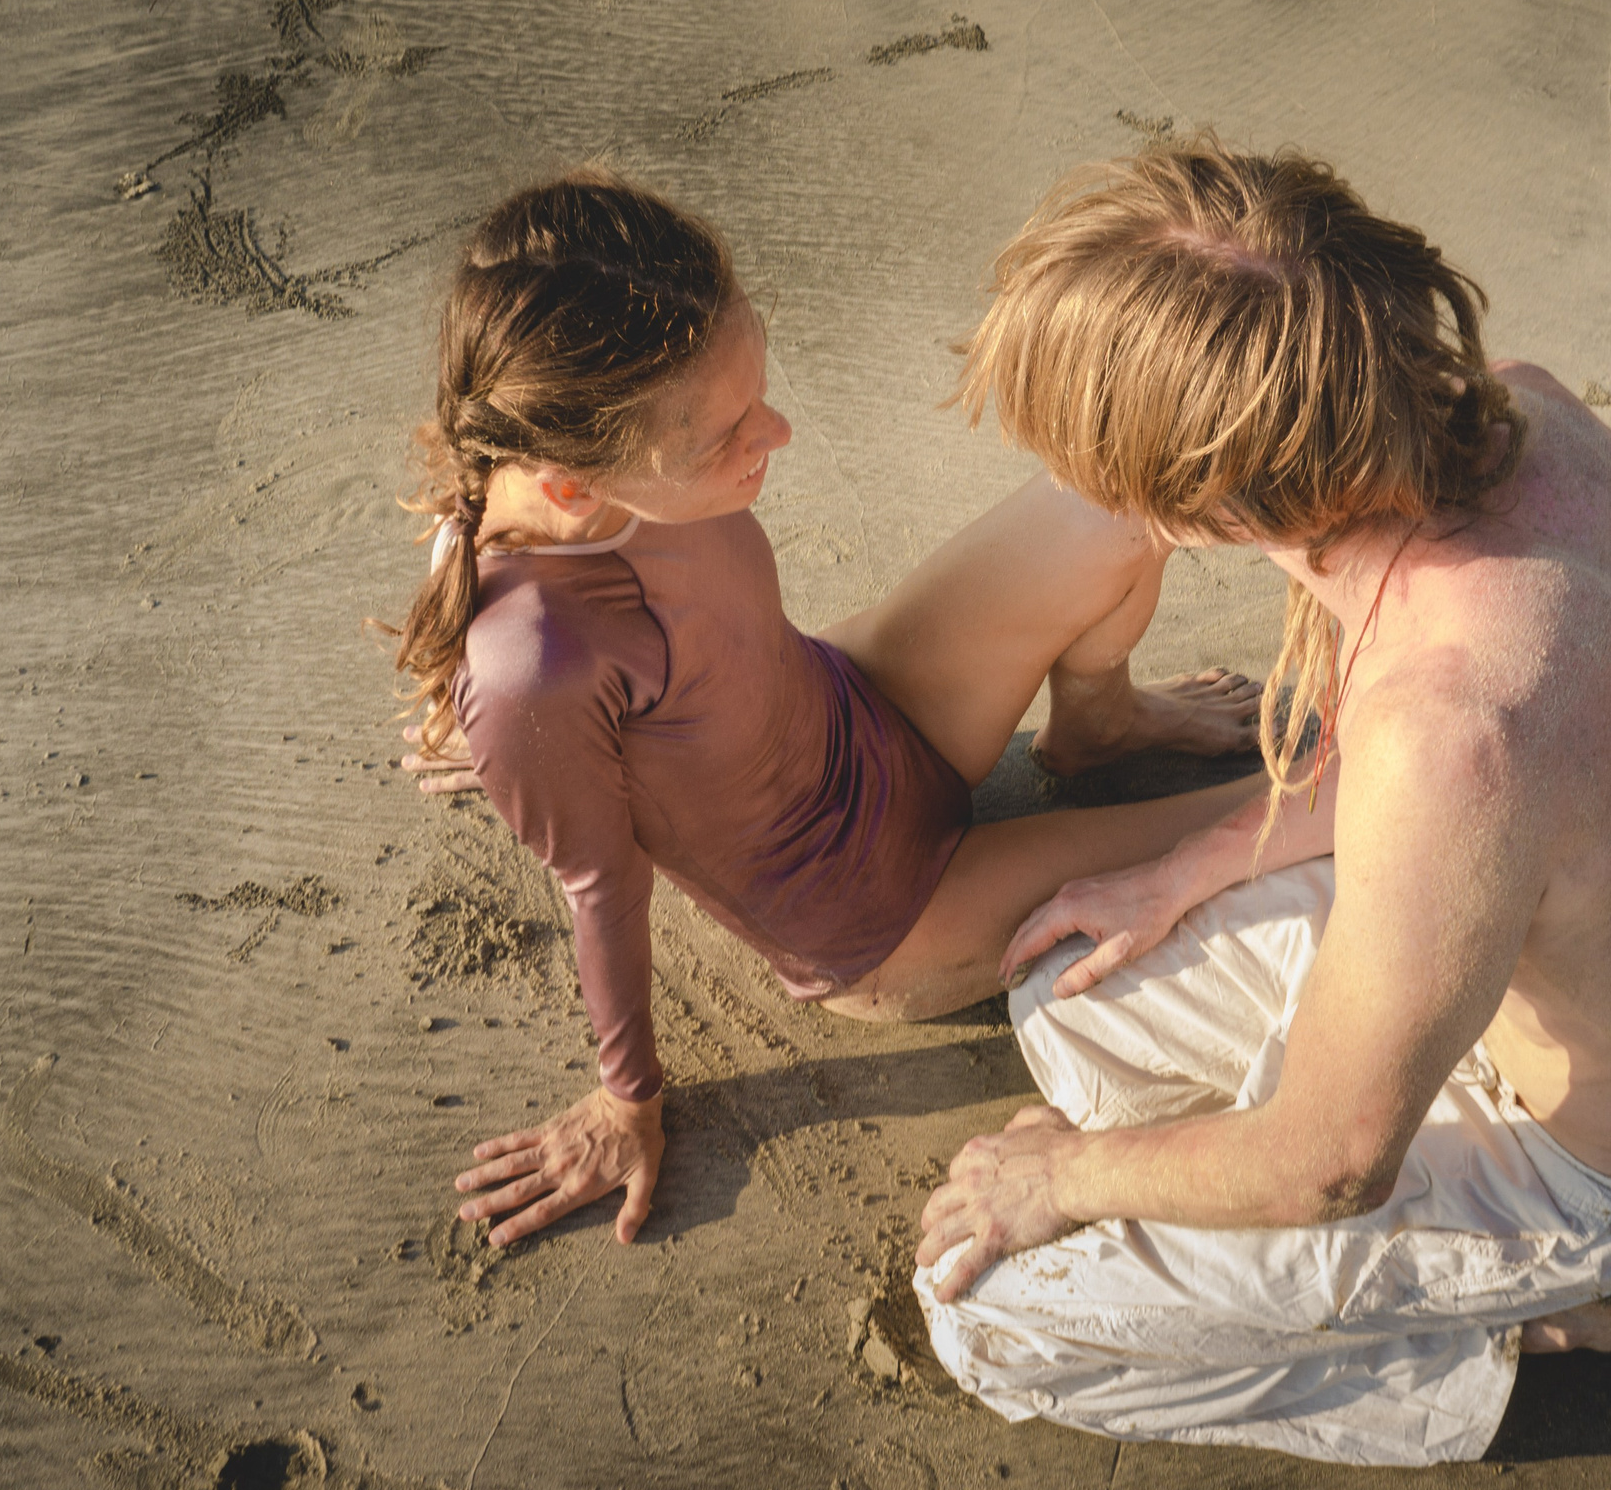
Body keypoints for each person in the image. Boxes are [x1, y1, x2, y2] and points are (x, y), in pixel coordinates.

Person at [907, 138, 1611, 1465]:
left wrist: (1066, 1179)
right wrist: (1188, 867)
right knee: (1073, 983)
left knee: (990, 1318)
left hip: (1588, 1172)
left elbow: (1333, 1160)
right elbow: (1488, 762)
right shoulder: (1528, 412)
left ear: (1210, 502)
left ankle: (1560, 1320)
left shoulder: (1454, 727)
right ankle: (1263, 1230)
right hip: (1530, 958)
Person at [389, 169, 1276, 1249]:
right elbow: (598, 886)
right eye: (726, 436)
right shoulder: (535, 668)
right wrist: (626, 1102)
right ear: (575, 485)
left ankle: (1100, 725)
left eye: (755, 384)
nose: (780, 432)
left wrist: (492, 741)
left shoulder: (547, 467)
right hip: (885, 912)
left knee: (1120, 501)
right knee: (1283, 813)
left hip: (867, 699)